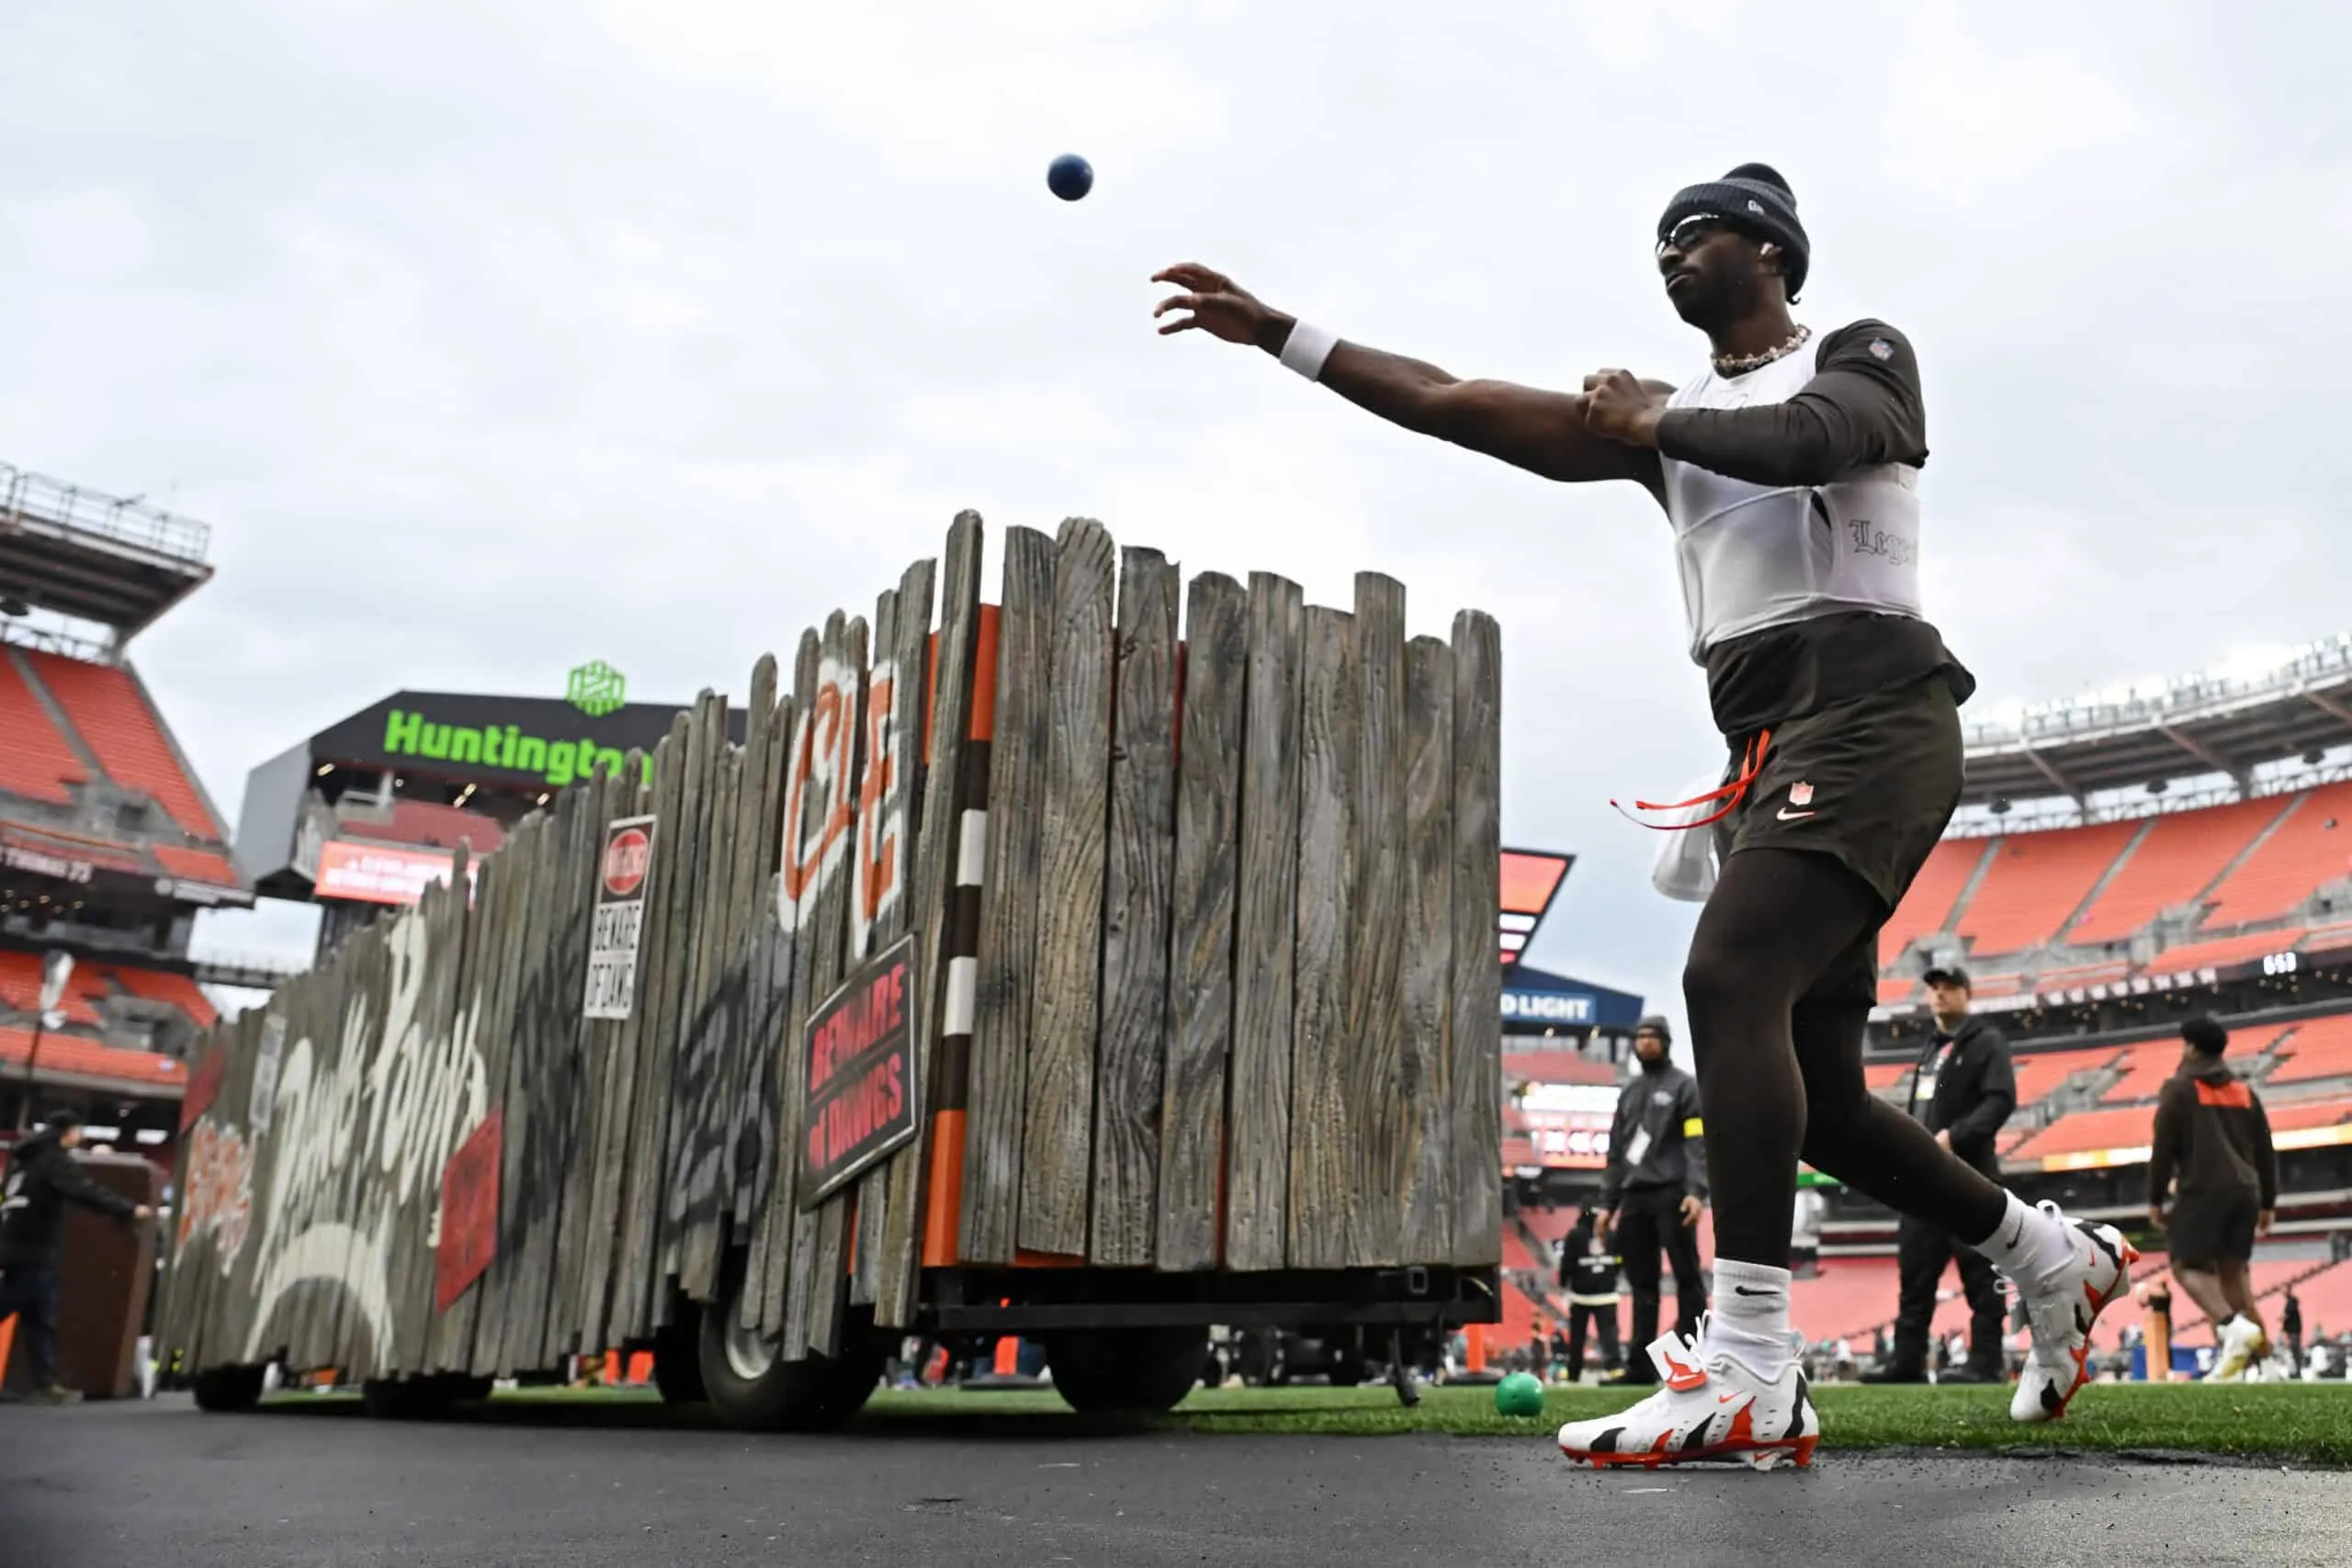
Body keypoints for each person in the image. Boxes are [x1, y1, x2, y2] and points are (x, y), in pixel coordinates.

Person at [1152, 163, 2137, 1469]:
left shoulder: (1858, 353)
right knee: (1826, 1099)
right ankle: (2047, 1252)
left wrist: (1654, 418)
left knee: (1727, 974)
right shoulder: (1668, 431)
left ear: (1772, 248)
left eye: (1699, 228)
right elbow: (1454, 403)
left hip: (1872, 707)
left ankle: (1750, 1359)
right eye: (1657, 238)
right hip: (1771, 738)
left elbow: (1820, 440)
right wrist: (1285, 334)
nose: (1670, 249)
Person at [1862, 967, 2015, 1383]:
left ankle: (1986, 1361)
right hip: (1922, 1182)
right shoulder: (1931, 1048)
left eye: (1949, 988)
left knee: (1981, 1276)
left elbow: (2001, 1101)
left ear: (1968, 992)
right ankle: (1906, 1361)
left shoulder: (1987, 1043)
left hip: (1971, 1177)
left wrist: (1955, 1136)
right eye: (1934, 989)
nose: (1940, 995)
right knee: (1915, 1275)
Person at [2147, 1015, 2278, 1382]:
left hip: (2203, 1191)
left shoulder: (2179, 1089)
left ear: (2189, 1047)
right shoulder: (2243, 1091)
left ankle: (2231, 1327)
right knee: (2234, 1277)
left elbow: (2163, 1148)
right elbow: (2266, 1151)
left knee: (2186, 1268)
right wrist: (2268, 1202)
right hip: (2246, 1194)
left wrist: (2155, 1198)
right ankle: (2265, 1365)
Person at [0, 1109, 154, 1404]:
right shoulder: (54, 1161)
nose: (80, 1137)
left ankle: (46, 1384)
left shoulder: (26, 1162)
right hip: (34, 1249)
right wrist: (128, 1208)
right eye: (78, 1131)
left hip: (18, 1246)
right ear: (67, 1132)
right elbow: (85, 1190)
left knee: (40, 1317)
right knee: (17, 1304)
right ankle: (46, 1385)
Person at [1593, 1018, 1707, 1379]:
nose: (1645, 1043)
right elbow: (1615, 1154)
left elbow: (1696, 1144)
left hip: (1672, 1194)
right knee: (1642, 1283)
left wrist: (1695, 1191)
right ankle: (1640, 1365)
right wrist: (1606, 1206)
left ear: (1666, 1042)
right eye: (1639, 1036)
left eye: (1652, 1037)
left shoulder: (1684, 1088)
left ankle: (1691, 1356)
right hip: (1634, 1199)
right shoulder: (1628, 1093)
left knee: (1687, 1277)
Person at [1556, 1207, 1625, 1382]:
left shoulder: (1574, 1235)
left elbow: (1567, 1263)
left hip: (1580, 1295)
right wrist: (1610, 1278)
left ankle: (1574, 1371)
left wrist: (1564, 1284)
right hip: (1606, 1294)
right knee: (1609, 1334)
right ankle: (1614, 1367)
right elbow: (1620, 1260)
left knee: (1577, 1336)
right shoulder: (1611, 1234)